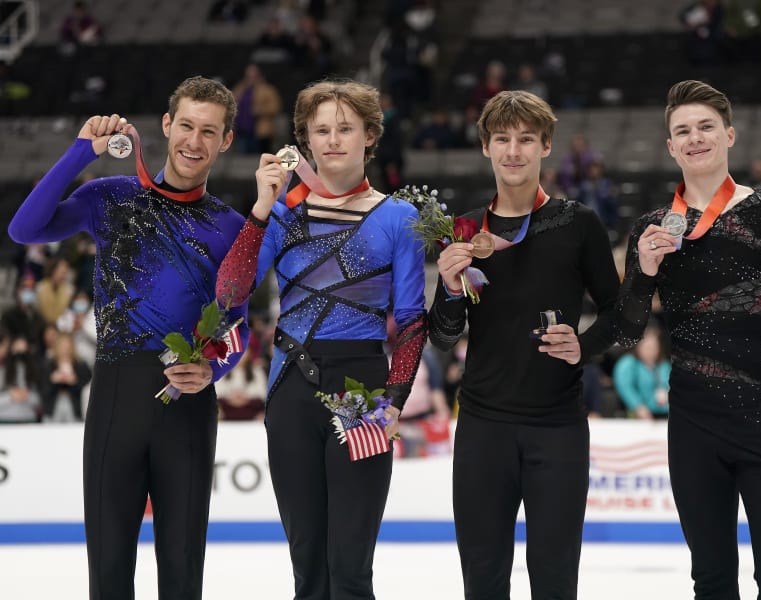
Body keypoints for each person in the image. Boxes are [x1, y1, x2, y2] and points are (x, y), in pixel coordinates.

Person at [7, 76, 250, 599]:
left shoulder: (231, 227)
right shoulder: (109, 197)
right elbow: (24, 230)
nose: (193, 141)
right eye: (185, 125)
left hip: (187, 402)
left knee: (182, 571)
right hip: (117, 396)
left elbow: (239, 323)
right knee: (109, 567)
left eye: (209, 131)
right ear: (166, 125)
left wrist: (215, 370)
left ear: (226, 140)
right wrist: (79, 153)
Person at [615, 80, 761, 599]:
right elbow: (629, 331)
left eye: (705, 127)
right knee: (713, 581)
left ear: (730, 135)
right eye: (683, 131)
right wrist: (645, 272)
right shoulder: (652, 229)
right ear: (670, 146)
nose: (695, 138)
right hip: (695, 426)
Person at [215, 78, 426, 598]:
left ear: (370, 135)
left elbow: (413, 319)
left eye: (346, 128)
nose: (333, 139)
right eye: (322, 129)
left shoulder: (399, 217)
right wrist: (261, 208)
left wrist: (394, 400)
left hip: (363, 390)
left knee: (351, 567)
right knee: (308, 566)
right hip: (291, 387)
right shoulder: (284, 215)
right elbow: (229, 292)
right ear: (305, 140)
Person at [427, 90, 621, 599]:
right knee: (483, 583)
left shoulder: (578, 223)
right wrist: (447, 290)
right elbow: (444, 338)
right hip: (481, 430)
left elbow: (622, 315)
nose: (514, 151)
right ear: (485, 148)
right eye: (502, 139)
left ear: (546, 147)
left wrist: (583, 345)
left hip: (557, 428)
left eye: (526, 139)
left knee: (555, 583)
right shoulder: (464, 231)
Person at [612, 325, 671, 420]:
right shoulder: (628, 363)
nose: (650, 351)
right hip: (638, 413)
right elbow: (625, 387)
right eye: (647, 347)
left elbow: (671, 384)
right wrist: (638, 407)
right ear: (639, 346)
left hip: (665, 412)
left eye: (654, 347)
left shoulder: (664, 365)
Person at [231, 63, 283, 155]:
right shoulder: (241, 88)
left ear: (260, 76)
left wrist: (261, 110)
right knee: (243, 158)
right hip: (242, 129)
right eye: (248, 76)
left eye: (254, 76)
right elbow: (231, 102)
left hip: (260, 130)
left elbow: (276, 107)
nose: (251, 78)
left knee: (258, 156)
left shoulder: (267, 89)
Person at [41, 331, 92, 422]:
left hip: (75, 408)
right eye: (62, 346)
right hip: (52, 408)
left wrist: (74, 381)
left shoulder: (81, 365)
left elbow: (87, 389)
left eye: (67, 346)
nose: (65, 349)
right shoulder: (48, 365)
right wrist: (53, 381)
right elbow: (43, 389)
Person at [0, 333, 42, 424]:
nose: (19, 356)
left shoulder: (34, 373)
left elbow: (40, 400)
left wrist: (27, 396)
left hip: (28, 419)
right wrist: (11, 396)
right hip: (5, 420)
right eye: (16, 351)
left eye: (23, 352)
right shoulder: (2, 372)